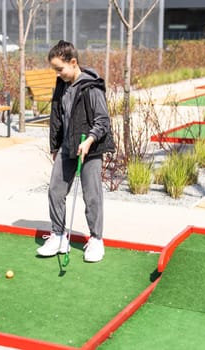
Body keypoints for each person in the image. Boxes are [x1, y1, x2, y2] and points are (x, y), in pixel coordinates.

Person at [36, 40, 116, 263]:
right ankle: (59, 235)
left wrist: (89, 140)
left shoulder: (92, 86)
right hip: (68, 145)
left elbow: (102, 120)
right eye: (55, 69)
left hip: (90, 147)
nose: (58, 73)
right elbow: (57, 117)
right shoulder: (62, 85)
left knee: (92, 195)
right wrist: (55, 146)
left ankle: (96, 240)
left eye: (60, 68)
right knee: (55, 190)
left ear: (73, 62)